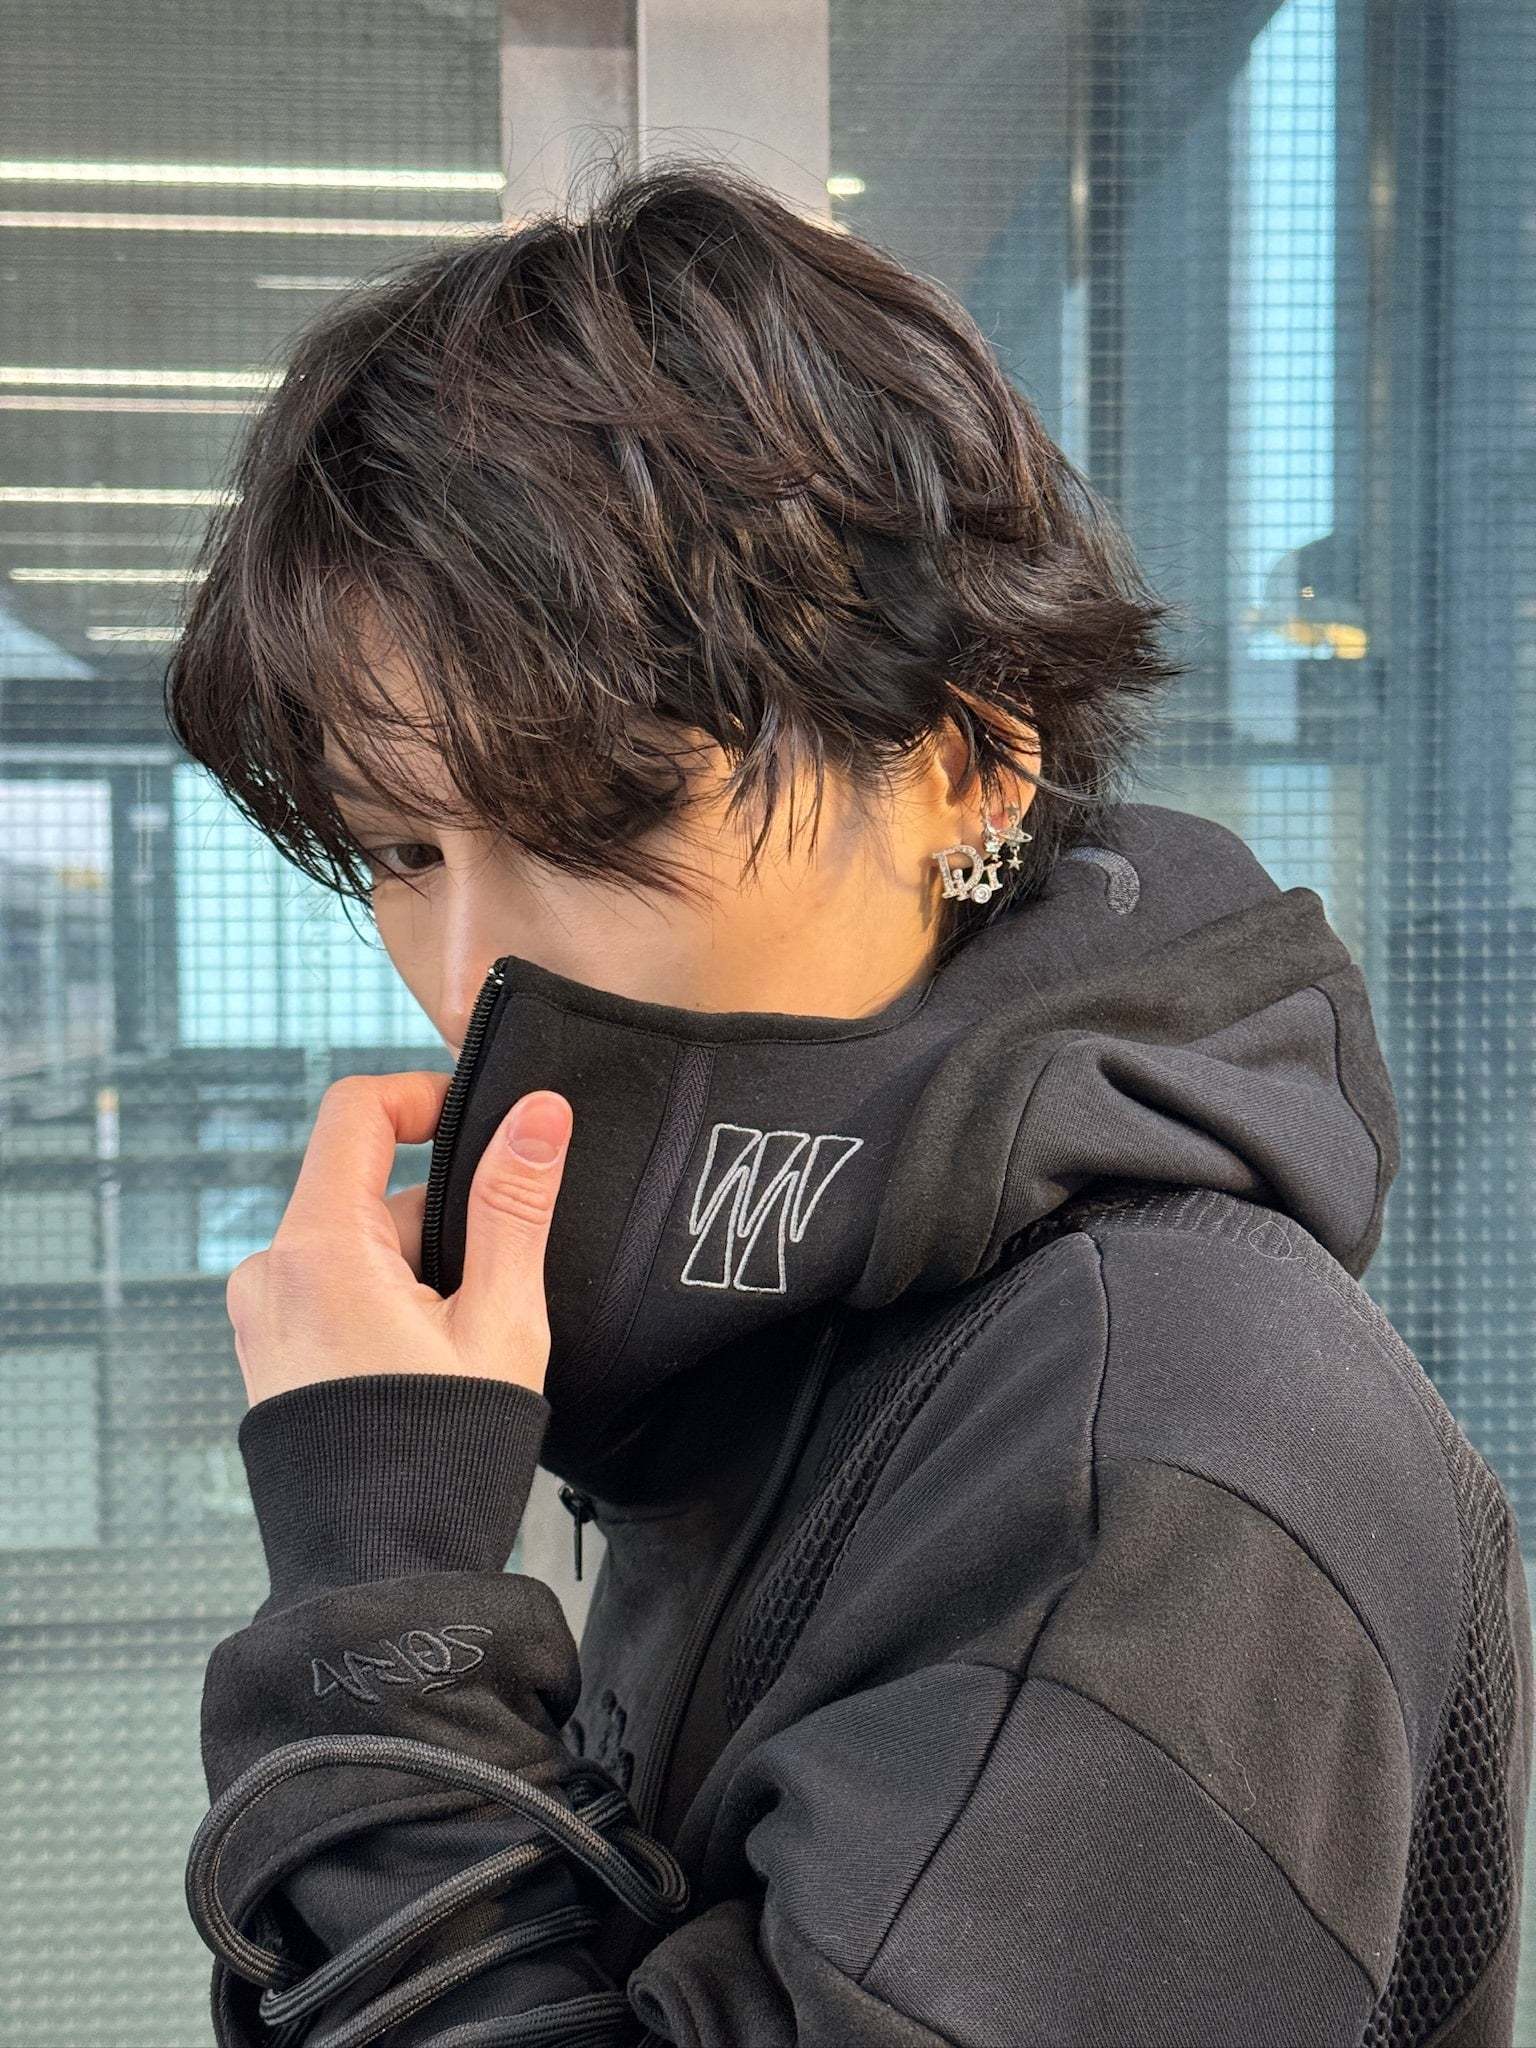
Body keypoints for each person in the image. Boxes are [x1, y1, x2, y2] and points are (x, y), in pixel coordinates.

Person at [165, 159, 1532, 2048]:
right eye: (404, 852)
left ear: (966, 763)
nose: (470, 975)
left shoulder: (1167, 1430)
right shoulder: (790, 1321)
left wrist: (383, 1600)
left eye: (602, 817)